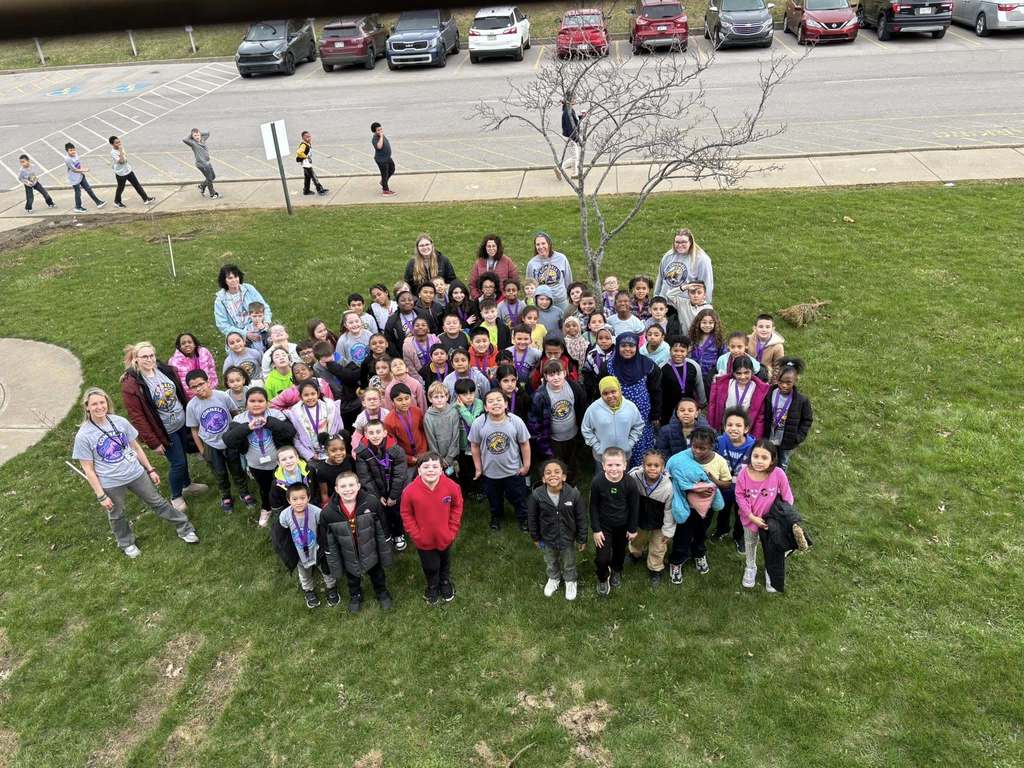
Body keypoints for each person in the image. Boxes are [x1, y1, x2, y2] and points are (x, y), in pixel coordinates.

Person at [73, 388, 198, 558]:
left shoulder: (119, 421)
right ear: (87, 407)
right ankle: (126, 543)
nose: (99, 407)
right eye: (94, 404)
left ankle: (185, 528)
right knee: (117, 514)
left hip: (136, 473)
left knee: (158, 502)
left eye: (102, 402)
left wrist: (150, 469)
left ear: (107, 403)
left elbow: (136, 447)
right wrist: (101, 495)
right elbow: (88, 469)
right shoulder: (83, 435)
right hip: (111, 482)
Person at [120, 342, 208, 514]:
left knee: (183, 457)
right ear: (136, 359)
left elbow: (179, 393)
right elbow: (138, 417)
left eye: (151, 355)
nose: (149, 359)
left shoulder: (165, 370)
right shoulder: (132, 385)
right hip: (165, 430)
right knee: (178, 463)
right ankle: (176, 496)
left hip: (182, 422)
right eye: (144, 356)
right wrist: (154, 442)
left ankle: (187, 485)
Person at [322, 472, 395, 612]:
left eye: (351, 485)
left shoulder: (372, 503)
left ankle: (381, 591)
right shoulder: (328, 513)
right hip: (347, 551)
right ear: (336, 489)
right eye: (343, 486)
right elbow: (327, 539)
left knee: (377, 573)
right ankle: (355, 595)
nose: (348, 489)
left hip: (370, 547)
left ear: (358, 486)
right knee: (352, 576)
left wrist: (386, 545)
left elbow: (382, 527)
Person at [223, 387, 295, 526]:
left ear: (267, 403)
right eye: (252, 401)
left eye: (261, 401)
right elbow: (229, 440)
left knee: (285, 485)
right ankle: (267, 508)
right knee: (265, 488)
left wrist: (269, 422)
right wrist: (247, 427)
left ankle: (289, 507)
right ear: (246, 403)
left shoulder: (276, 414)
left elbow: (290, 432)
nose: (256, 404)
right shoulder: (239, 419)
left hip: (280, 463)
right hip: (256, 464)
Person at [184, 370, 253, 513]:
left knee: (236, 469)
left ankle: (244, 492)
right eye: (193, 387)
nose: (198, 388)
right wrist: (202, 450)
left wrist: (237, 435)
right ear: (190, 389)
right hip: (210, 444)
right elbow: (194, 430)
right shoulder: (191, 406)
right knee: (219, 472)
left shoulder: (222, 396)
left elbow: (235, 414)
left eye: (201, 384)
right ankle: (225, 495)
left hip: (229, 441)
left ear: (208, 382)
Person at [400, 452, 464, 606]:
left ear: (441, 469)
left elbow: (457, 506)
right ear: (419, 470)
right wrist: (416, 534)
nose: (431, 470)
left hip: (445, 536)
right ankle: (432, 585)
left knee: (444, 561)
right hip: (424, 540)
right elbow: (406, 513)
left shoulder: (451, 487)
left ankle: (445, 581)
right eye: (426, 466)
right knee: (430, 565)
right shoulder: (410, 491)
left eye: (435, 466)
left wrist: (452, 529)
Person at [469, 390, 532, 532]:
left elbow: (524, 444)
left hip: (513, 471)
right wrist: (478, 468)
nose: (495, 403)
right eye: (490, 401)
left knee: (518, 497)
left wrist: (526, 465)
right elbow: (474, 445)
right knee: (494, 499)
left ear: (506, 404)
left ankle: (523, 518)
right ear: (485, 407)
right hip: (490, 473)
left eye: (499, 400)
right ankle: (496, 517)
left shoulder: (515, 421)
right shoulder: (479, 423)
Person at [735, 440, 794, 592]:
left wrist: (782, 519)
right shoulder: (743, 473)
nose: (759, 461)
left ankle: (770, 571)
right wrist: (751, 516)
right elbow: (739, 496)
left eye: (764, 457)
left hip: (772, 522)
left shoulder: (778, 474)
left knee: (773, 548)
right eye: (756, 456)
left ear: (773, 459)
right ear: (750, 456)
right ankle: (750, 566)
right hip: (750, 520)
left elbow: (788, 497)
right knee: (750, 543)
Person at [527, 458, 587, 601]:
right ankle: (554, 578)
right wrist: (535, 537)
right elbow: (532, 518)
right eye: (548, 473)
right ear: (543, 479)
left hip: (568, 537)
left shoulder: (573, 494)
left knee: (569, 561)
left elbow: (581, 518)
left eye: (557, 472)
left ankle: (570, 580)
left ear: (564, 476)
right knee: (550, 559)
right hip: (547, 537)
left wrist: (582, 538)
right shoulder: (537, 496)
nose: (552, 475)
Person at [599, 332, 661, 467]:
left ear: (637, 347)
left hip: (642, 415)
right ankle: (618, 470)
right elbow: (601, 392)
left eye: (631, 345)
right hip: (616, 414)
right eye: (623, 345)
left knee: (639, 442)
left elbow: (655, 390)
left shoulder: (648, 365)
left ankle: (638, 470)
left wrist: (656, 413)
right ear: (618, 346)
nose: (628, 349)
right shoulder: (607, 367)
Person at [665, 447, 724, 585]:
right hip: (686, 506)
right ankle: (677, 561)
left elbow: (726, 481)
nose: (698, 450)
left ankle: (699, 553)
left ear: (711, 445)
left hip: (706, 506)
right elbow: (673, 476)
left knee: (701, 532)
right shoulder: (680, 460)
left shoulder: (718, 461)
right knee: (682, 534)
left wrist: (712, 483)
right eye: (695, 446)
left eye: (703, 447)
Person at [270, 483, 334, 609]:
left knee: (326, 570)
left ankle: (331, 588)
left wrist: (324, 548)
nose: (299, 502)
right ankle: (308, 591)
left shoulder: (316, 512)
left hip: (316, 550)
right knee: (304, 573)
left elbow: (325, 530)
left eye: (302, 498)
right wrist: (289, 554)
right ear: (288, 500)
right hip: (299, 553)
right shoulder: (284, 515)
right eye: (294, 499)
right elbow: (281, 536)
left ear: (308, 498)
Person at [589, 447, 639, 596]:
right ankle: (603, 577)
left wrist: (632, 528)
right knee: (602, 558)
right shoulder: (597, 482)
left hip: (623, 526)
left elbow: (634, 506)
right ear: (603, 465)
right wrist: (596, 530)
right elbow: (593, 506)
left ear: (625, 465)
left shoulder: (630, 483)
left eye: (618, 465)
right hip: (604, 527)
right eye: (610, 465)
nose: (614, 469)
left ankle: (617, 570)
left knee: (619, 551)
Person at [354, 419, 409, 551]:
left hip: (393, 490)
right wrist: (376, 496)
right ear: (365, 435)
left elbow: (399, 475)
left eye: (378, 432)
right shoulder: (362, 453)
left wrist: (393, 496)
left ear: (385, 433)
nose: (375, 435)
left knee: (395, 512)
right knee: (380, 514)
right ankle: (386, 535)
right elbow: (365, 477)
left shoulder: (396, 450)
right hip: (376, 491)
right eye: (371, 433)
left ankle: (398, 534)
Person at [529, 360, 586, 483]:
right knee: (556, 464)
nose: (556, 377)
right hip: (553, 439)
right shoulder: (540, 395)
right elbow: (535, 422)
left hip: (573, 435)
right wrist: (542, 442)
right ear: (545, 377)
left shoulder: (574, 388)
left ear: (565, 373)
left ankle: (571, 484)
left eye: (558, 373)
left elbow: (582, 408)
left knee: (571, 462)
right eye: (551, 375)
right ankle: (557, 484)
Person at [626, 449, 674, 586]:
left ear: (663, 467)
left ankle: (655, 568)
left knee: (658, 546)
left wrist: (668, 531)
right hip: (640, 518)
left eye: (656, 466)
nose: (652, 468)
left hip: (659, 522)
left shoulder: (668, 487)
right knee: (636, 539)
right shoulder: (634, 477)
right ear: (643, 465)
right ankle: (635, 554)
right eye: (649, 465)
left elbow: (670, 510)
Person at [714, 406, 755, 551]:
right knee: (723, 509)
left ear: (746, 429)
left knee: (741, 514)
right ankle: (721, 529)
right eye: (729, 425)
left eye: (738, 425)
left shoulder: (753, 447)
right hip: (724, 485)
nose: (733, 428)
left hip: (743, 489)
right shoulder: (719, 442)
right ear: (724, 427)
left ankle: (739, 536)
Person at [581, 377, 644, 469]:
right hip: (602, 456)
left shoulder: (630, 407)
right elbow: (586, 429)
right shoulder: (593, 409)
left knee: (623, 479)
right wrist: (597, 446)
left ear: (619, 390)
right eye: (605, 393)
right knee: (602, 479)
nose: (610, 396)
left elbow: (638, 425)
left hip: (624, 454)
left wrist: (629, 443)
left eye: (613, 391)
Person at [764, 357, 813, 472]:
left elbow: (807, 420)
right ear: (776, 379)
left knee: (783, 462)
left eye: (788, 383)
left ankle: (781, 484)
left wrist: (798, 437)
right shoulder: (769, 394)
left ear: (796, 380)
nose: (784, 386)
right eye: (781, 382)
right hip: (770, 435)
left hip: (787, 440)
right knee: (769, 458)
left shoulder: (802, 400)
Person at [654, 228, 715, 311]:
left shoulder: (701, 259)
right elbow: (660, 279)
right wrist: (656, 298)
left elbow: (706, 284)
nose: (680, 245)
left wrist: (704, 307)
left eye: (684, 242)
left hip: (685, 308)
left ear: (690, 242)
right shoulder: (668, 256)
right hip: (664, 305)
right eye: (677, 242)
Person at [707, 357, 770, 438]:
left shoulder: (758, 389)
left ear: (752, 372)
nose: (743, 377)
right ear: (733, 373)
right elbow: (713, 406)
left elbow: (759, 418)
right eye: (739, 373)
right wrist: (712, 427)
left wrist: (756, 438)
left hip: (744, 430)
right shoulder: (724, 384)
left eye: (746, 373)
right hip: (725, 427)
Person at [287, 381, 343, 465]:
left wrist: (335, 448)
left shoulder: (329, 407)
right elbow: (296, 438)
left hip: (332, 452)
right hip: (313, 455)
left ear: (318, 393)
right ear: (300, 397)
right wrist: (309, 455)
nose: (310, 397)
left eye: (313, 394)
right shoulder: (296, 413)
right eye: (306, 395)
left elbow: (339, 428)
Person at [213, 264, 272, 343]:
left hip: (258, 327)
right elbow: (222, 325)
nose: (234, 280)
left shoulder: (249, 289)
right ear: (224, 280)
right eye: (230, 278)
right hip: (238, 337)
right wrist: (245, 334)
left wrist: (266, 323)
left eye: (236, 277)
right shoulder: (220, 300)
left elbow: (265, 307)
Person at [659, 337, 706, 423]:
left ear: (687, 351)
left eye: (682, 351)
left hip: (689, 407)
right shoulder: (662, 367)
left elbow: (699, 385)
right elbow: (658, 390)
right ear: (670, 350)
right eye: (675, 351)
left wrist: (702, 403)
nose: (678, 354)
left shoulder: (694, 366)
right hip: (668, 408)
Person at [383, 383, 428, 469]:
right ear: (392, 402)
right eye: (399, 400)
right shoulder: (388, 421)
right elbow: (393, 447)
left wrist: (425, 452)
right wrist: (410, 459)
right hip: (406, 461)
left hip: (423, 454)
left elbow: (424, 431)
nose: (404, 403)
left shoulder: (417, 411)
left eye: (407, 398)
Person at [453, 378, 484, 498]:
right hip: (462, 444)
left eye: (471, 393)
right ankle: (469, 489)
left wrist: (462, 409)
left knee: (478, 466)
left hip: (477, 444)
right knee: (466, 469)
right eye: (464, 394)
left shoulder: (479, 403)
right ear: (457, 395)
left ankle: (480, 490)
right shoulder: (453, 406)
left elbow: (473, 423)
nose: (469, 397)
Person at [526, 232, 573, 312]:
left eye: (543, 243)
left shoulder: (561, 258)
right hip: (542, 303)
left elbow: (568, 280)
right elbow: (529, 285)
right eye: (538, 244)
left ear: (549, 244)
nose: (541, 247)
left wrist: (570, 297)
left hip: (560, 301)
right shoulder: (532, 263)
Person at [424, 382, 461, 478]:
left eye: (442, 396)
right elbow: (431, 440)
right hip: (438, 457)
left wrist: (450, 457)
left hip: (453, 455)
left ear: (447, 397)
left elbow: (455, 436)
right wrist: (439, 458)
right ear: (430, 398)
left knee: (455, 478)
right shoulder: (428, 417)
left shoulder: (453, 412)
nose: (439, 400)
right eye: (436, 397)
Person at [468, 234, 520, 299]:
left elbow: (515, 280)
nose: (491, 249)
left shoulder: (507, 261)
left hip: (502, 299)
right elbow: (472, 284)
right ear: (485, 248)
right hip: (483, 300)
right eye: (489, 246)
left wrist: (505, 297)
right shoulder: (479, 263)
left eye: (493, 246)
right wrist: (478, 298)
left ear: (498, 247)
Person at [108, 136, 155, 207]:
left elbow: (125, 158)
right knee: (121, 188)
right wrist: (120, 151)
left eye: (119, 142)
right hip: (121, 173)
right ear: (112, 144)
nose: (119, 144)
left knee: (137, 184)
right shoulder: (113, 152)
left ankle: (145, 199)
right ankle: (117, 201)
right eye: (116, 143)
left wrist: (122, 152)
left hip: (128, 170)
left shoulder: (121, 148)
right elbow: (122, 161)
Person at [384, 290, 430, 358]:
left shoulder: (423, 314)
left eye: (410, 300)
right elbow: (390, 342)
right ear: (397, 303)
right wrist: (399, 357)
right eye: (403, 300)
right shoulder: (392, 321)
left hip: (426, 350)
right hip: (405, 354)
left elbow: (433, 328)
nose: (407, 302)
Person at [64, 142, 106, 212]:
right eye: (70, 150)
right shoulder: (67, 159)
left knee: (88, 189)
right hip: (74, 178)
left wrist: (82, 172)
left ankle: (98, 202)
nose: (73, 151)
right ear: (67, 151)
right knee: (78, 192)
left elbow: (78, 165)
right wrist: (84, 170)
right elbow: (74, 170)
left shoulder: (75, 155)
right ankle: (78, 207)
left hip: (80, 175)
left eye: (73, 149)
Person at [314, 433, 354, 506]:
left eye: (342, 449)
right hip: (335, 501)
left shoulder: (349, 460)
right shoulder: (322, 470)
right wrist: (327, 507)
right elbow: (324, 493)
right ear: (326, 452)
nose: (338, 453)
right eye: (333, 450)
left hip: (351, 495)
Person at [747, 313, 787, 383]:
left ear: (773, 329)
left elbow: (778, 367)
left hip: (765, 376)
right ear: (754, 328)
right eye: (760, 327)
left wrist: (773, 384)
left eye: (768, 327)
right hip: (747, 372)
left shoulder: (778, 346)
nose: (764, 330)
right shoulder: (747, 339)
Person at [183, 128, 219, 198]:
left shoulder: (202, 139)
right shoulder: (193, 143)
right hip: (202, 165)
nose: (197, 137)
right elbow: (184, 139)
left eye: (198, 135)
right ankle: (212, 193)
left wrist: (198, 132)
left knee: (213, 177)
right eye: (195, 136)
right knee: (209, 178)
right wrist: (192, 134)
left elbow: (208, 133)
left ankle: (202, 186)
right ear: (192, 136)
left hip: (207, 162)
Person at [295, 130, 328, 195]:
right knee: (314, 177)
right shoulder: (304, 145)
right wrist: (306, 157)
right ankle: (320, 189)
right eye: (307, 137)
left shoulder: (307, 144)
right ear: (303, 138)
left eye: (309, 136)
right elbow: (299, 152)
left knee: (307, 178)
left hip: (307, 163)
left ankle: (306, 190)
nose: (309, 138)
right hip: (306, 164)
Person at [559, 93, 582, 179]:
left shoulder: (569, 109)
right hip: (570, 137)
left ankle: (573, 172)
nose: (576, 100)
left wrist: (580, 117)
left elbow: (573, 121)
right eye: (574, 98)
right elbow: (570, 127)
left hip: (569, 136)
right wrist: (576, 139)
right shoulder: (568, 111)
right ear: (570, 100)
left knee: (575, 156)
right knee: (575, 157)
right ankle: (561, 168)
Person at [370, 121, 396, 196]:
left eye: (381, 129)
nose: (380, 131)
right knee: (384, 174)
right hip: (381, 159)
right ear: (374, 131)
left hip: (387, 157)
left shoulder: (380, 135)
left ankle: (383, 182)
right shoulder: (375, 138)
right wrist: (381, 136)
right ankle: (385, 190)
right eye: (378, 130)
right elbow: (379, 146)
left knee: (392, 169)